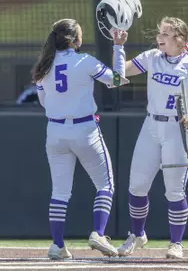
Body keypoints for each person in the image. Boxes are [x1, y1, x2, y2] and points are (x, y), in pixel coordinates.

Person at [112, 17, 188, 258]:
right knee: (137, 185)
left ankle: (176, 243)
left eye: (166, 34)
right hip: (151, 125)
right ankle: (137, 235)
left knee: (174, 190)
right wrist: (118, 46)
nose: (159, 37)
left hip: (177, 130)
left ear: (180, 39)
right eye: (160, 32)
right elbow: (120, 72)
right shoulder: (152, 57)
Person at [32, 18, 128, 260]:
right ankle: (98, 232)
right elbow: (116, 80)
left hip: (54, 131)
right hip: (84, 128)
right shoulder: (85, 61)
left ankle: (57, 245)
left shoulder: (44, 65)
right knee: (105, 184)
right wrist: (118, 47)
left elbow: (44, 101)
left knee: (60, 192)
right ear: (74, 40)